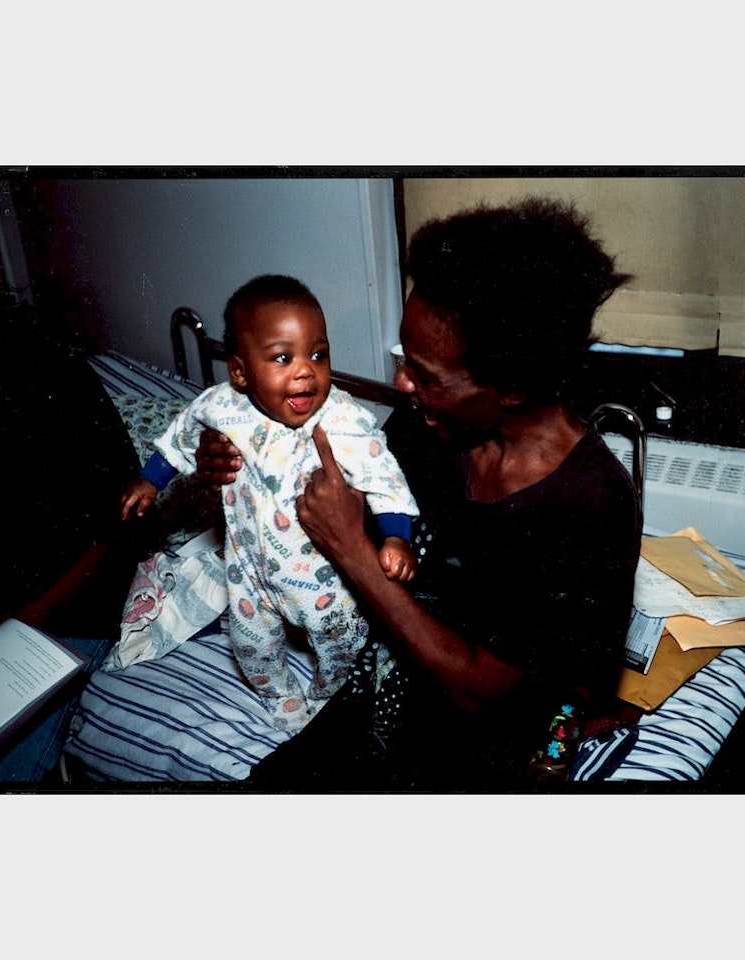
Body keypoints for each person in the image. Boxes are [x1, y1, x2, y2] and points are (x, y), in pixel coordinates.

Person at [195, 198, 643, 790]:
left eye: (425, 375)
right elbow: (342, 493)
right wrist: (237, 452)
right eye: (407, 361)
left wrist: (352, 549)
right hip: (388, 675)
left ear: (511, 386)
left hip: (479, 728)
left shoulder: (587, 505)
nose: (402, 382)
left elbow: (478, 690)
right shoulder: (430, 427)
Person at [120, 274, 419, 733]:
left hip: (322, 578)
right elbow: (181, 436)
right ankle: (279, 693)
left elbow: (384, 476)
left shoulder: (342, 419)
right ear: (240, 373)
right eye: (283, 357)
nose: (306, 371)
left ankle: (329, 692)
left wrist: (397, 536)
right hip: (248, 571)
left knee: (342, 640)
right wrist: (149, 479)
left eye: (318, 354)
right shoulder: (222, 406)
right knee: (251, 645)